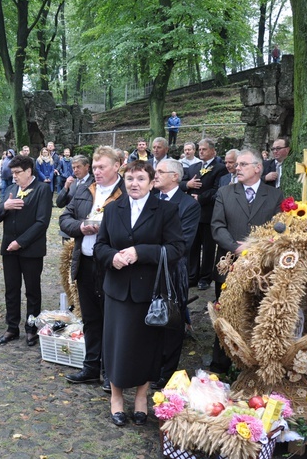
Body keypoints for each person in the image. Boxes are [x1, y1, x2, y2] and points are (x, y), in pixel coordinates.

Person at [94, 160, 185, 426]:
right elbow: (100, 246)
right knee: (117, 345)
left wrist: (140, 252)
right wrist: (112, 257)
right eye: (130, 178)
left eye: (140, 179)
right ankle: (117, 398)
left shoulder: (166, 210)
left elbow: (177, 248)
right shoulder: (112, 210)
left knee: (146, 347)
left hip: (149, 291)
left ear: (151, 182)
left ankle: (142, 397)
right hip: (118, 289)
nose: (134, 184)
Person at [210, 149, 283, 374]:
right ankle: (220, 364)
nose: (237, 168)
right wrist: (237, 247)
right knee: (225, 312)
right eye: (237, 164)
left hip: (262, 267)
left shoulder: (275, 196)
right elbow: (217, 226)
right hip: (229, 262)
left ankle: (254, 365)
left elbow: (280, 230)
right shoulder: (225, 192)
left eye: (243, 164)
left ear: (258, 168)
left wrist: (258, 249)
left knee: (256, 311)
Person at [59, 146, 125, 390]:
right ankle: (91, 367)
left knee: (111, 320)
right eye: (95, 167)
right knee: (90, 319)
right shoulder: (84, 189)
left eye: (102, 167)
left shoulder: (126, 192)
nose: (96, 171)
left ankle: (110, 372)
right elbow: (64, 218)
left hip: (112, 266)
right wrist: (81, 227)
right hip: (85, 263)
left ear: (116, 166)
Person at [0, 155, 53, 347]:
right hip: (9, 249)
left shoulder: (42, 189)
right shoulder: (10, 189)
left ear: (28, 171)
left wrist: (21, 242)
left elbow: (42, 222)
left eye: (18, 173)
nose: (15, 176)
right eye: (13, 173)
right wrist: (5, 206)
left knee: (32, 291)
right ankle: (11, 327)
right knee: (11, 289)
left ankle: (31, 329)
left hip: (31, 250)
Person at [152, 158, 200, 388]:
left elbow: (184, 243)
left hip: (173, 272)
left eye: (161, 171)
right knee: (149, 318)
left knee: (171, 320)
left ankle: (166, 371)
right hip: (148, 269)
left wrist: (147, 248)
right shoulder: (149, 199)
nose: (155, 174)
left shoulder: (188, 205)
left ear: (175, 177)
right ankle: (149, 365)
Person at [180, 138, 228, 290]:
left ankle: (205, 278)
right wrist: (188, 185)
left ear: (213, 151)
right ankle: (192, 276)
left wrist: (200, 198)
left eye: (204, 149)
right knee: (193, 246)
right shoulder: (193, 167)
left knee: (208, 248)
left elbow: (218, 189)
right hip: (193, 214)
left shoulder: (220, 168)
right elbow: (181, 183)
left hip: (209, 213)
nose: (201, 152)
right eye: (199, 149)